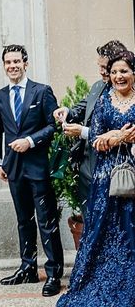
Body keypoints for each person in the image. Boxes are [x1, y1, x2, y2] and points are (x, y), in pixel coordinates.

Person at [57, 50, 135, 306]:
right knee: (102, 233)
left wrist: (116, 138)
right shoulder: (104, 100)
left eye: (123, 71)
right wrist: (117, 134)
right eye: (113, 72)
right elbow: (97, 139)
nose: (118, 76)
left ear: (133, 73)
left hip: (132, 173)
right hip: (107, 181)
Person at [0, 45, 64, 297]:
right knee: (24, 221)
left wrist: (30, 141)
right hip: (13, 168)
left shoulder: (41, 92)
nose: (12, 66)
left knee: (46, 220)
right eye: (8, 62)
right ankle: (28, 268)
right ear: (4, 66)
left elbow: (54, 126)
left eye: (16, 61)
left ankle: (53, 273)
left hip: (38, 167)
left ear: (25, 64)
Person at [53, 40, 128, 220]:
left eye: (104, 67)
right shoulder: (97, 86)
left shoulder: (127, 92)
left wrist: (82, 132)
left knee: (111, 222)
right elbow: (83, 107)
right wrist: (68, 111)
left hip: (114, 169)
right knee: (89, 221)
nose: (101, 71)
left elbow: (121, 133)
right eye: (99, 66)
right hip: (86, 167)